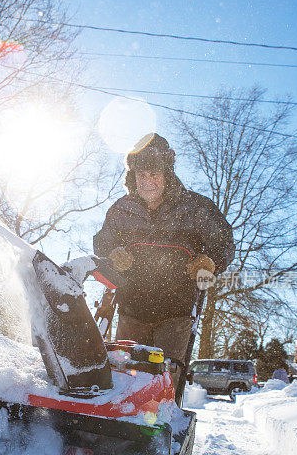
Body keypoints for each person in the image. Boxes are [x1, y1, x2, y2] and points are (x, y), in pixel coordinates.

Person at [93, 132, 235, 377]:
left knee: (165, 380)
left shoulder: (196, 208)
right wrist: (112, 254)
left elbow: (224, 241)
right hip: (130, 310)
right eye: (141, 175)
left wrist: (210, 261)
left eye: (154, 174)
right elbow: (102, 243)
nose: (147, 181)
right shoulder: (121, 210)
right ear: (133, 176)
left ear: (167, 175)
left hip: (176, 315)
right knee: (126, 378)